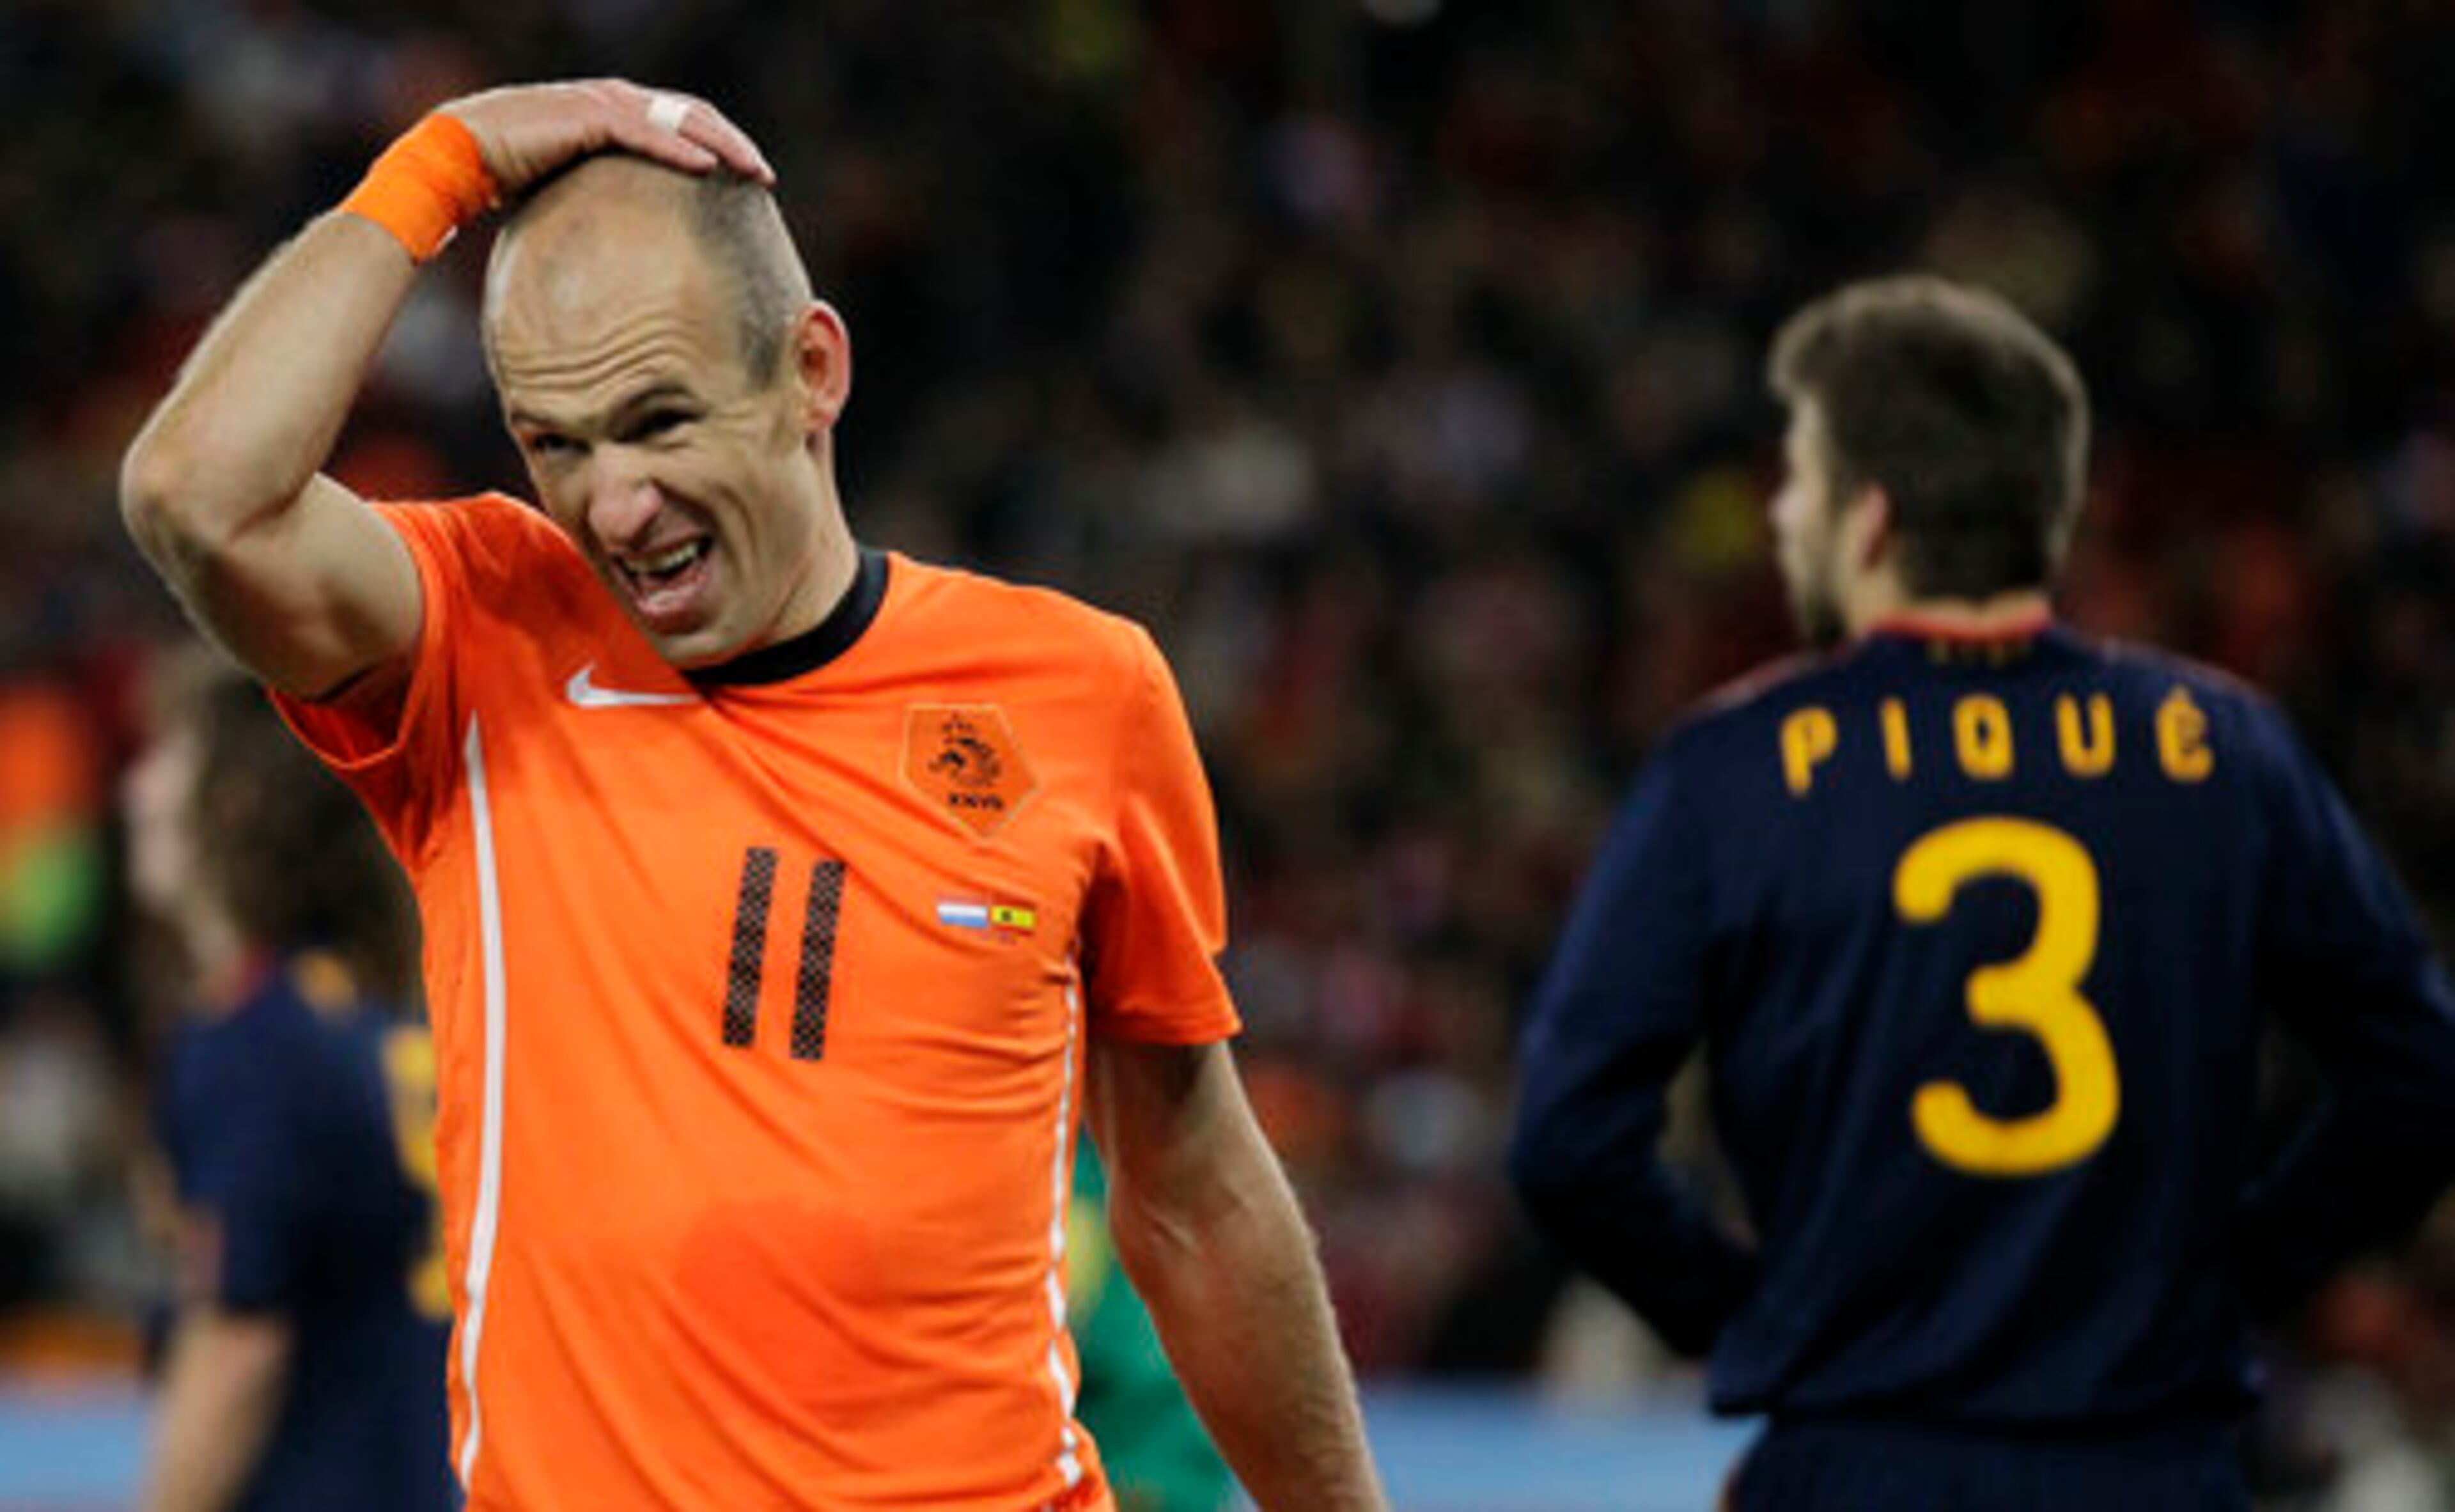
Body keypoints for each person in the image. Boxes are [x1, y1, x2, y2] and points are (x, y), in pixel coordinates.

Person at [118, 79, 1384, 1512]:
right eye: (557, 443)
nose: (613, 507)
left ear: (813, 371)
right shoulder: (481, 640)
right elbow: (197, 496)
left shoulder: (1082, 692)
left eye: (659, 421)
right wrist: (443, 165)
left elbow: (1197, 1193)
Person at [1508, 275, 2455, 1509]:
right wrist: (2242, 1271)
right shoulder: (2223, 750)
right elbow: (2421, 1075)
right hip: (2148, 1461)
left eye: (1802, 477)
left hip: (1857, 1459)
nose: (1786, 514)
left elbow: (1568, 1141)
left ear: (1872, 521)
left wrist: (1751, 1312)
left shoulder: (1732, 769)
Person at [127, 648, 451, 1512]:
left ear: (232, 802)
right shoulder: (378, 1008)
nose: (137, 788)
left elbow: (240, 1341)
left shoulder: (253, 1038)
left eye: (166, 759)